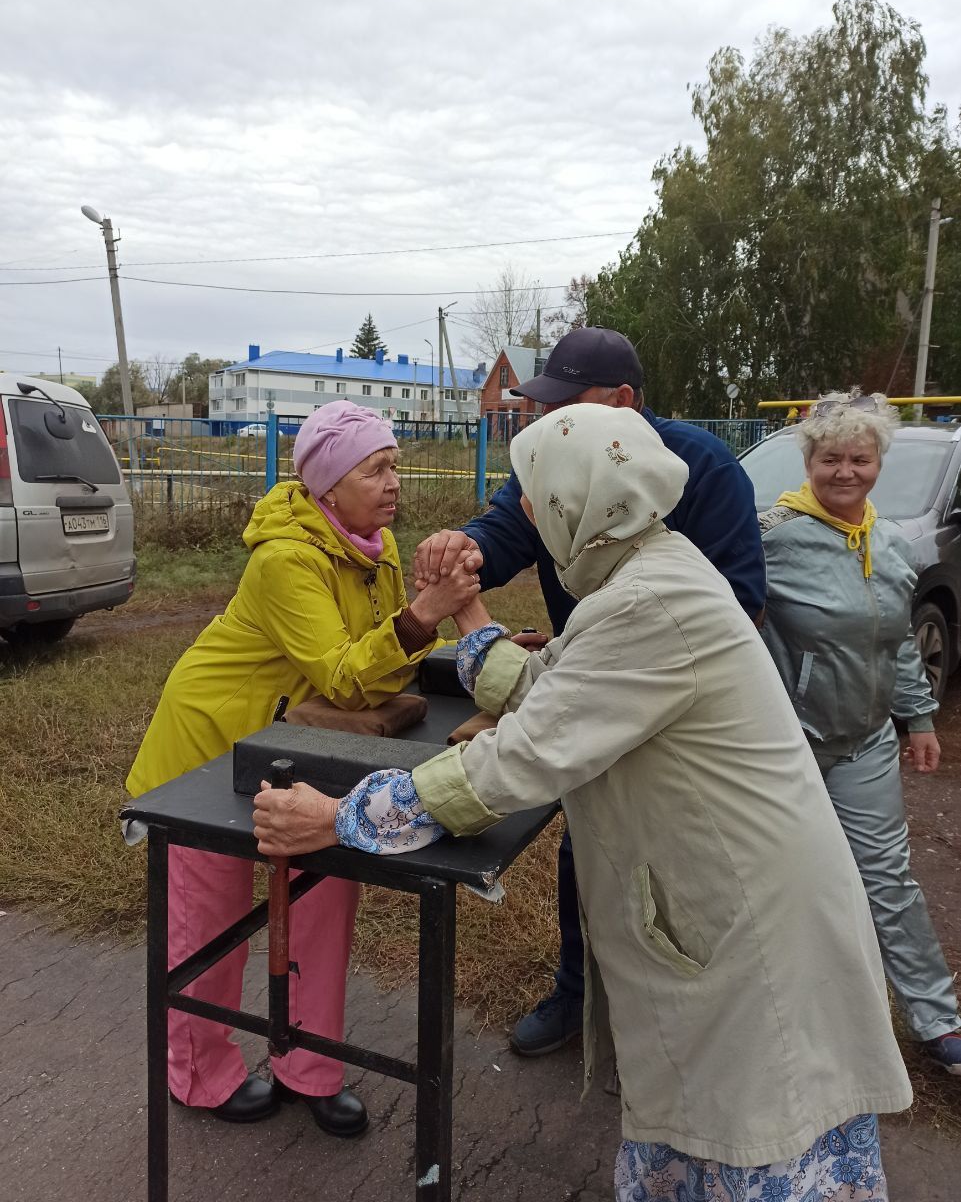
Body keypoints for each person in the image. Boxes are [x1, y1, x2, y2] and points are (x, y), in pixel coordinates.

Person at [254, 403, 911, 1201]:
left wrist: (336, 817)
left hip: (749, 927)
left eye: (531, 493)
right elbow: (564, 688)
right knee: (719, 1122)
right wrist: (470, 616)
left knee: (759, 1124)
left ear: (579, 501)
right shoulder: (647, 569)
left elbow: (516, 762)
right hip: (738, 899)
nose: (523, 510)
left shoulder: (646, 603)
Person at [126, 401, 479, 1131]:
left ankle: (310, 1065)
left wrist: (418, 613)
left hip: (301, 754)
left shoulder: (373, 551)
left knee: (323, 902)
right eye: (374, 469)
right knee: (210, 921)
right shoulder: (285, 560)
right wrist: (422, 615)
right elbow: (349, 675)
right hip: (209, 751)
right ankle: (197, 1072)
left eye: (394, 467)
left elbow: (378, 676)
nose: (393, 484)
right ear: (327, 487)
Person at [414, 326, 766, 1056]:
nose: (547, 421)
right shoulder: (558, 459)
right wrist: (465, 548)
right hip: (583, 682)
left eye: (564, 403)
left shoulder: (706, 469)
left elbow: (741, 599)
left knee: (682, 863)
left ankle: (687, 1018)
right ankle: (578, 995)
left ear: (623, 402)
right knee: (590, 844)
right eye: (543, 405)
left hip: (677, 714)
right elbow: (508, 525)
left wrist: (619, 650)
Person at [759, 389, 961, 1077]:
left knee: (887, 880)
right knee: (779, 883)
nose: (844, 472)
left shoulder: (889, 539)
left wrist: (918, 717)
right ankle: (776, 1019)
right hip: (789, 748)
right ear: (808, 460)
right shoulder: (771, 539)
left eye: (859, 459)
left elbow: (898, 641)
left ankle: (937, 1022)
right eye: (830, 458)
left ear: (877, 463)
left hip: (865, 743)